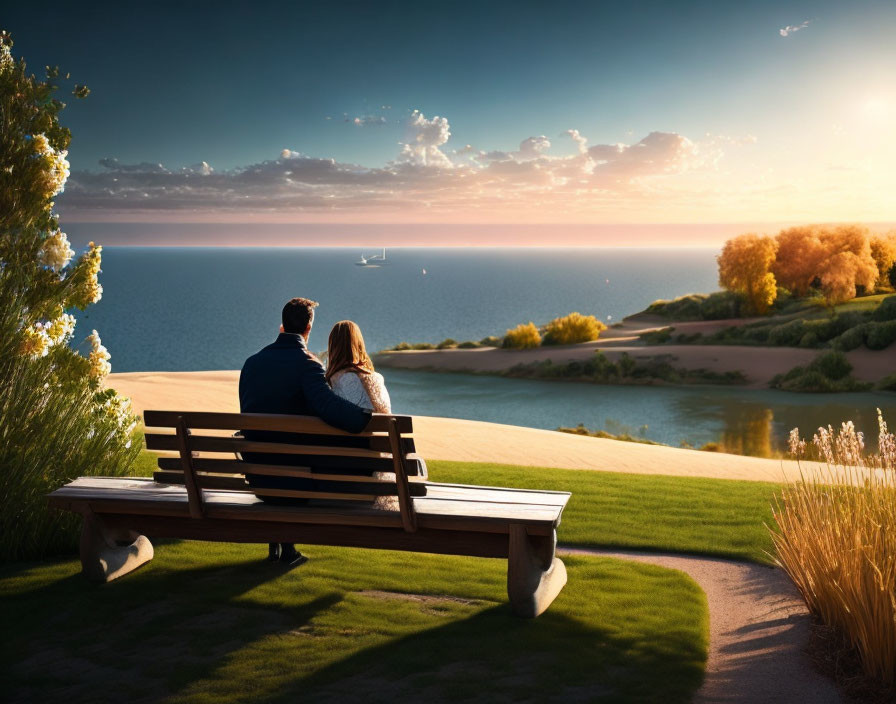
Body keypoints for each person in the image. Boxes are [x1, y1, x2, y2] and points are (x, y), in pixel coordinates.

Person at [239, 297, 371, 567]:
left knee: (281, 450)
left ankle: (282, 550)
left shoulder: (252, 364)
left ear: (282, 326)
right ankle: (286, 550)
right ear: (308, 328)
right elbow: (329, 406)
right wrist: (363, 417)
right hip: (294, 480)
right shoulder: (308, 364)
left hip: (260, 475)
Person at [326, 320, 392, 413]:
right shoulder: (377, 377)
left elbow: (362, 414)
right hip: (387, 427)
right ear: (360, 344)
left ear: (332, 346)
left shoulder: (342, 378)